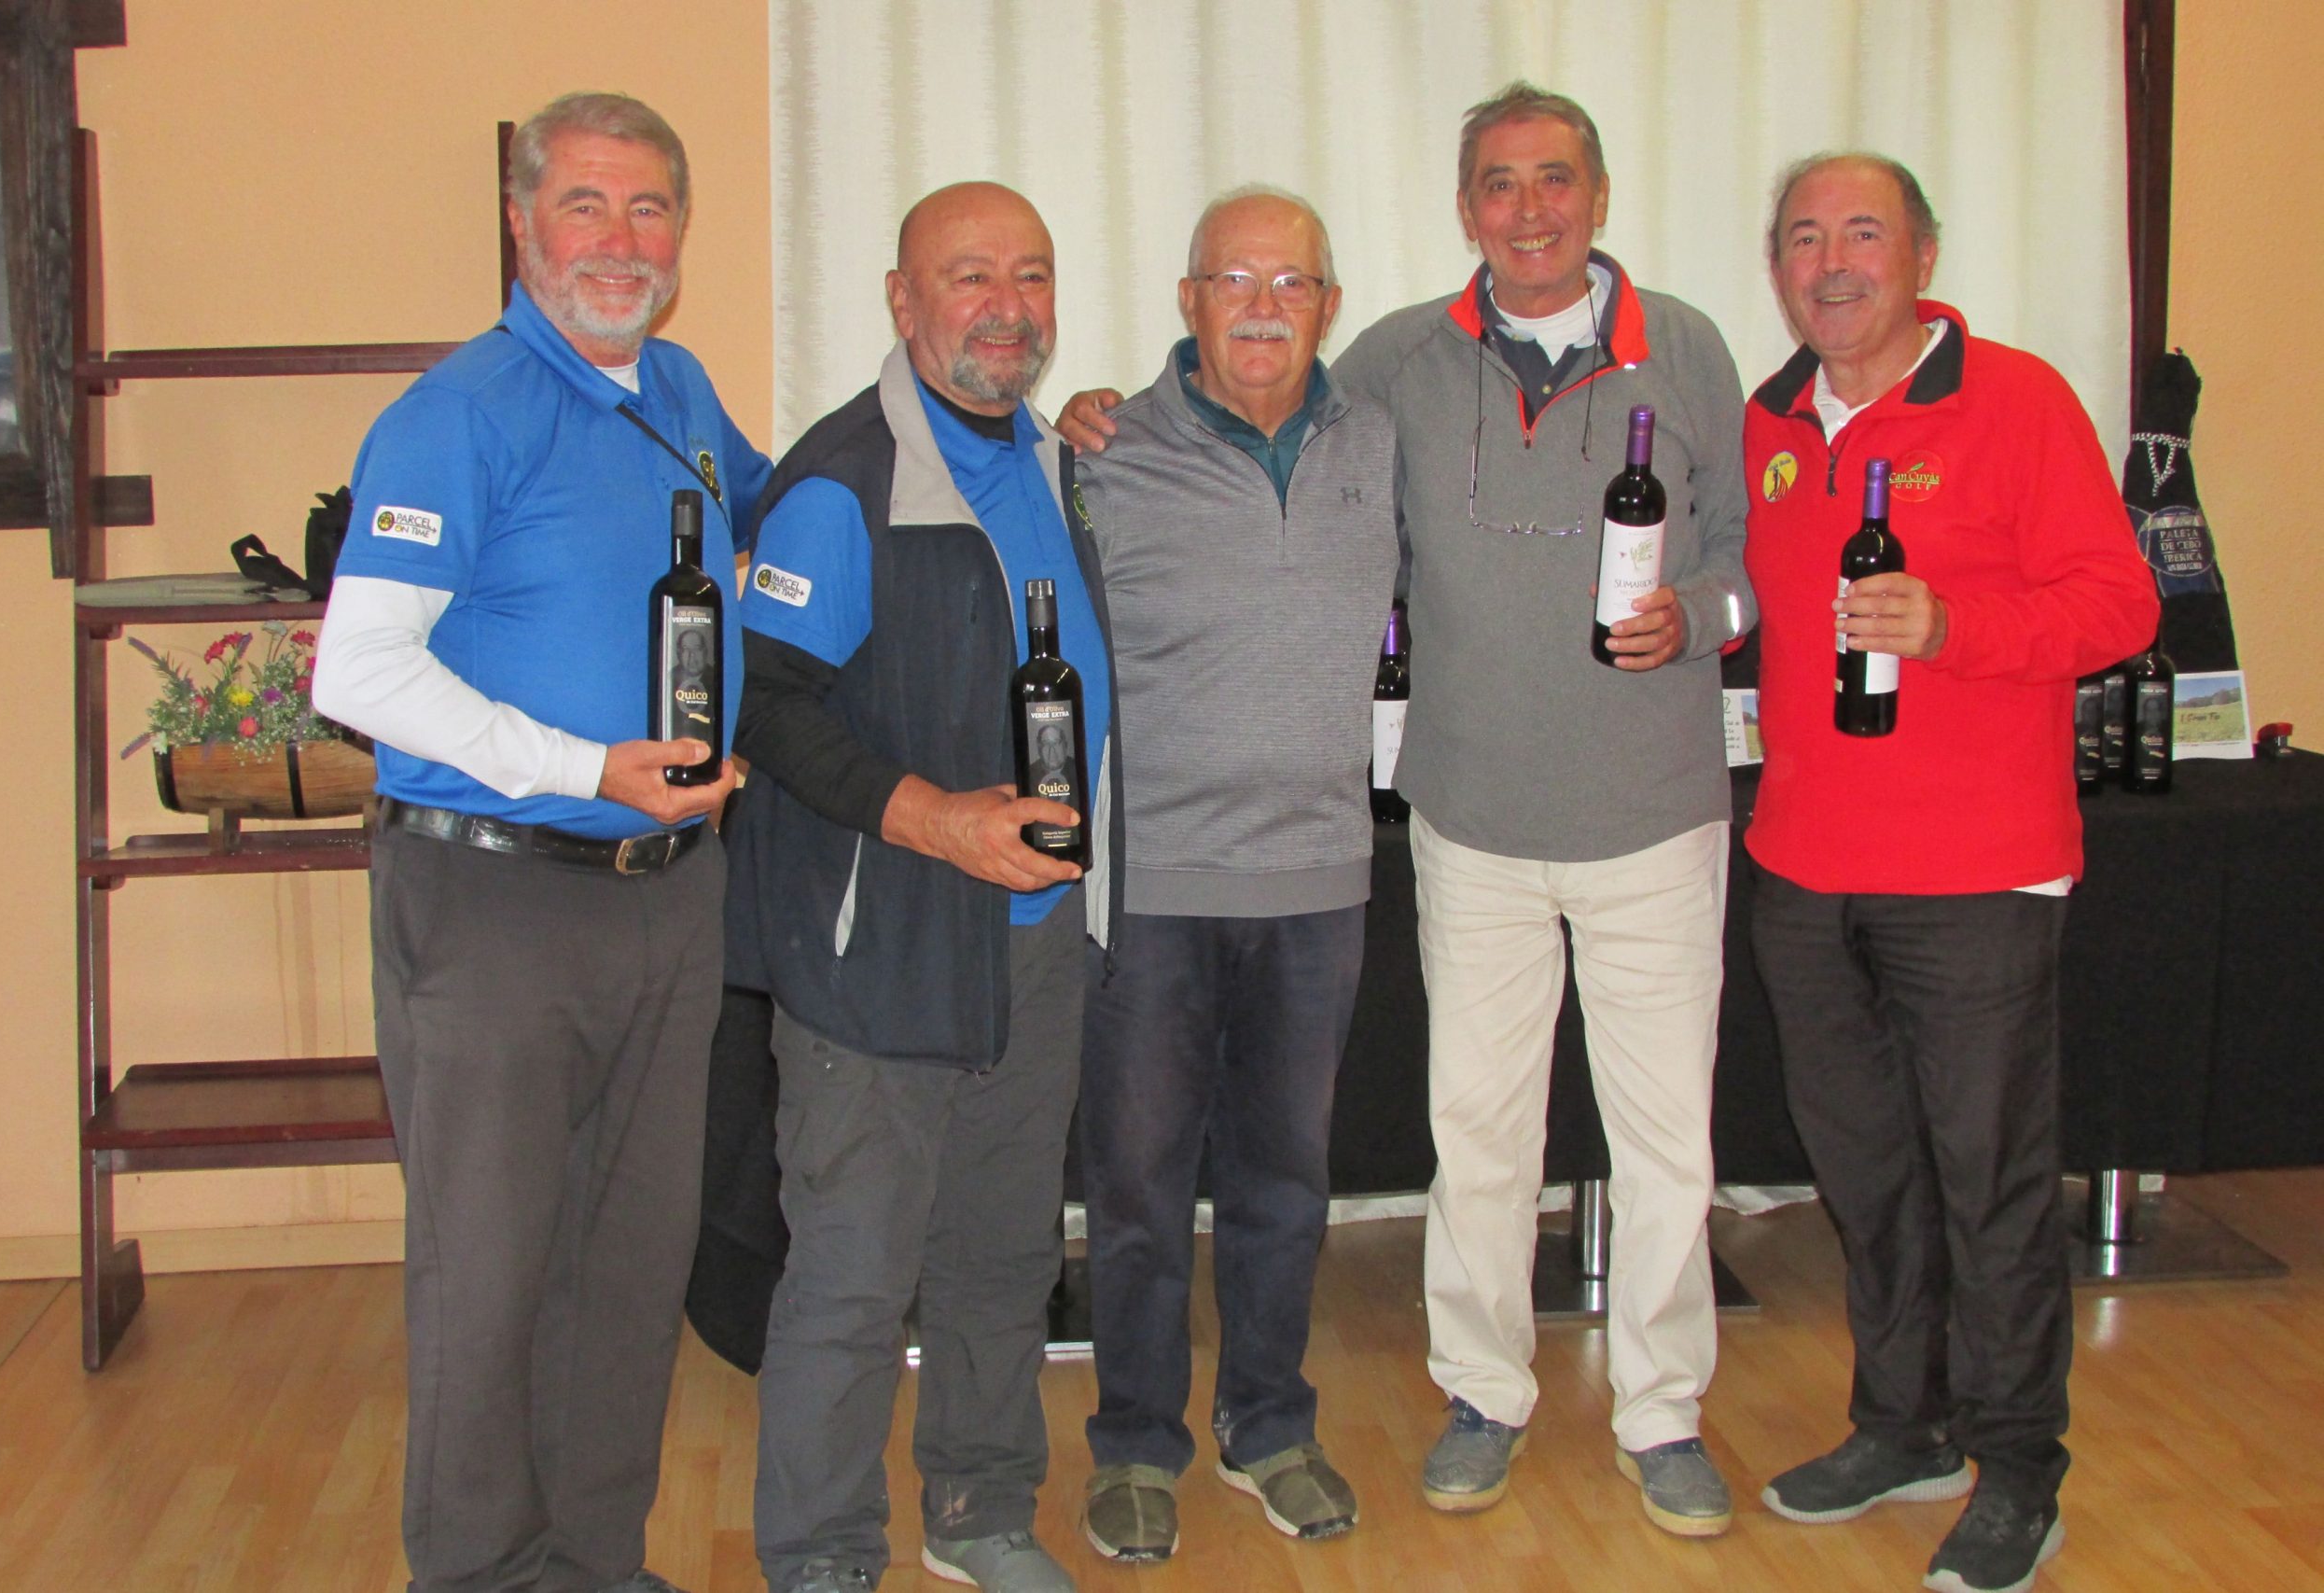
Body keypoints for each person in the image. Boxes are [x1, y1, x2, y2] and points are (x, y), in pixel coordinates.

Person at [1058, 83, 1754, 1539]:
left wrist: (1699, 615)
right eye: (1499, 183)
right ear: (1464, 209)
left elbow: (1747, 564)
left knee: (1668, 1144)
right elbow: (1222, 417)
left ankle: (1663, 1410)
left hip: (1652, 816)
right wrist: (1094, 410)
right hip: (1466, 818)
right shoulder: (1395, 364)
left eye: (1554, 180)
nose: (1529, 209)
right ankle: (1482, 1395)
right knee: (1477, 1136)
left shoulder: (1686, 347)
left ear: (1598, 195)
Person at [312, 92, 770, 1593]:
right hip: (492, 898)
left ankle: (592, 1563)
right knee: (492, 1272)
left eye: (649, 209)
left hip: (666, 894)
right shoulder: (458, 412)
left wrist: (1057, 433)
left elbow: (794, 514)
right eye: (585, 205)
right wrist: (584, 766)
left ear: (682, 233)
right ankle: (477, 1574)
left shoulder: (679, 390)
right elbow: (357, 673)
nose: (618, 241)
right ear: (523, 225)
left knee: (629, 1269)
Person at [1741, 152, 2157, 1593]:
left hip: (1977, 878)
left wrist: (1954, 626)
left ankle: (2019, 1468)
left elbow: (2119, 604)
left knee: (1990, 1188)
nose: (1832, 262)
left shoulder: (2019, 400)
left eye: (1863, 232)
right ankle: (1901, 1425)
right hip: (1804, 873)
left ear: (1921, 254)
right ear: (1778, 268)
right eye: (1805, 238)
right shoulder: (1770, 420)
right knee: (1868, 1178)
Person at [725, 181, 1115, 1593]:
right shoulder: (843, 483)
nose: (1006, 307)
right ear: (902, 300)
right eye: (969, 276)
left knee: (1002, 1256)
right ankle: (821, 1556)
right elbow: (767, 704)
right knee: (852, 1275)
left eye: (1031, 275)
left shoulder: (1055, 463)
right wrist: (937, 821)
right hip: (877, 949)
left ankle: (981, 1510)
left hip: (1035, 940)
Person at [1067, 187, 1399, 1565]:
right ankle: (1137, 1445)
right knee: (1138, 1191)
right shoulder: (1100, 453)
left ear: (1330, 304)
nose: (1263, 307)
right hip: (1152, 885)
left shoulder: (1380, 440)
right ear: (1188, 301)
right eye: (1234, 280)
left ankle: (1270, 1427)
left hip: (1319, 883)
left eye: (1291, 282)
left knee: (1285, 1184)